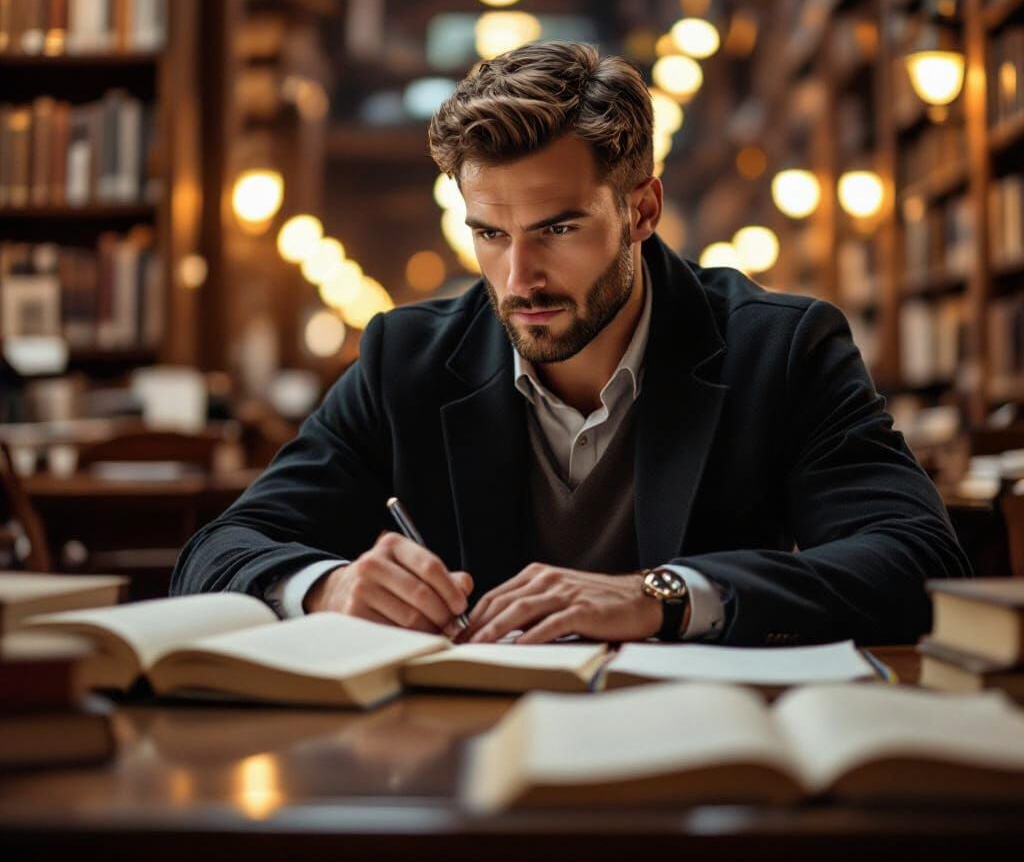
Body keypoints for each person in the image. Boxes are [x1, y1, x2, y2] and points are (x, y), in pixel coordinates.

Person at [171, 41, 970, 646]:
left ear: (642, 210)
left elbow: (920, 561)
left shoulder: (782, 349)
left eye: (558, 229)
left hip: (704, 764)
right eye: (489, 233)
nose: (520, 278)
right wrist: (327, 588)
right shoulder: (402, 360)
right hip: (452, 765)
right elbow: (216, 553)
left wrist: (663, 595)